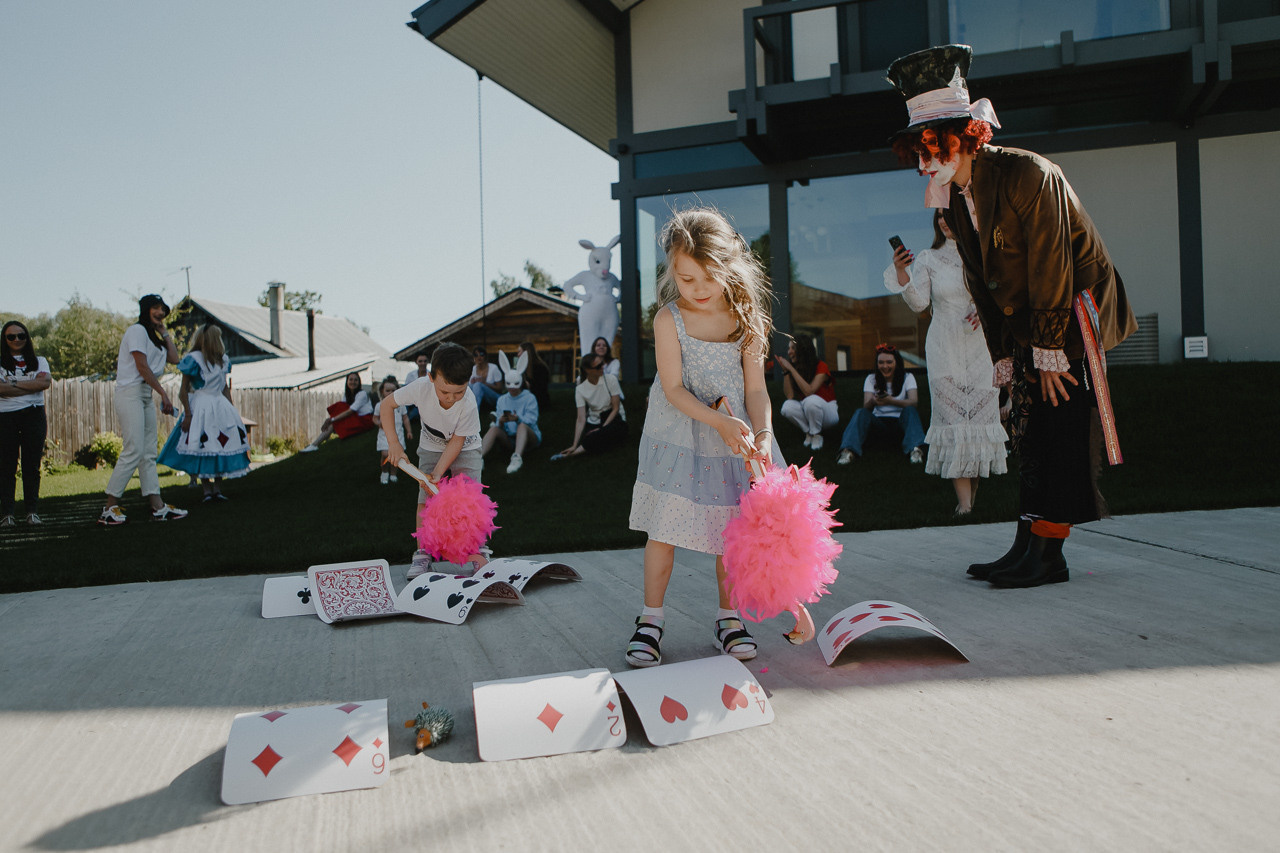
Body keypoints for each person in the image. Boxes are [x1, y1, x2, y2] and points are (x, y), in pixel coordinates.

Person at [887, 44, 1137, 587]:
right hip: (1030, 317)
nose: (927, 164)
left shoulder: (1028, 173)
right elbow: (979, 280)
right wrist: (1004, 355)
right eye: (920, 154)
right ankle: (1029, 543)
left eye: (936, 148)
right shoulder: (954, 195)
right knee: (1028, 426)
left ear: (965, 136)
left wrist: (1048, 351)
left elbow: (1053, 262)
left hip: (1072, 310)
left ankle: (1049, 553)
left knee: (1060, 426)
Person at [625, 207, 776, 668]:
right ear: (673, 271)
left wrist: (763, 434)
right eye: (686, 279)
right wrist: (720, 423)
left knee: (733, 532)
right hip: (681, 432)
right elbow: (673, 389)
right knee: (665, 530)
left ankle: (728, 619)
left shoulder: (748, 316)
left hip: (735, 440)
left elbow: (755, 388)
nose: (697, 290)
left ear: (729, 267)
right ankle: (650, 620)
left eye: (708, 278)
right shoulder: (668, 320)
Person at [884, 210, 1008, 514]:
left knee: (977, 425)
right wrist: (902, 273)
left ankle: (971, 502)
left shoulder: (982, 254)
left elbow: (1003, 293)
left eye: (949, 214)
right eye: (939, 215)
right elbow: (919, 303)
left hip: (980, 349)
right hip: (944, 347)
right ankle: (964, 505)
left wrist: (985, 308)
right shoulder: (928, 258)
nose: (943, 220)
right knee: (953, 424)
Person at [381, 342, 482, 580]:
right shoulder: (419, 387)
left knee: (469, 500)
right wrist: (395, 444)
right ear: (431, 377)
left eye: (458, 392)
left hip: (466, 446)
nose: (451, 398)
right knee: (425, 498)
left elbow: (457, 441)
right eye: (445, 391)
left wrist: (438, 473)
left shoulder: (468, 402)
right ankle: (423, 553)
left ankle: (476, 552)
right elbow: (387, 405)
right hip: (430, 445)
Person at [99, 295, 188, 524]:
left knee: (148, 452)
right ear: (146, 309)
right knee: (134, 449)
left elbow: (175, 358)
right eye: (156, 308)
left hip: (145, 395)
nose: (160, 312)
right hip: (130, 393)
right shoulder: (136, 331)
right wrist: (164, 393)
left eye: (162, 309)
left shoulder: (155, 337)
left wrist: (165, 332)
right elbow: (141, 366)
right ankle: (109, 508)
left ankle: (157, 506)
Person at [156, 323, 251, 500]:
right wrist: (189, 415)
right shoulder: (194, 359)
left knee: (220, 445)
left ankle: (217, 488)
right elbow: (183, 391)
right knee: (203, 444)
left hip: (220, 406)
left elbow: (224, 388)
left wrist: (232, 412)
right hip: (201, 406)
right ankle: (206, 489)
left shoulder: (223, 360)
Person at [837, 344, 927, 464]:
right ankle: (847, 451)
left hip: (900, 423)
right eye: (881, 362)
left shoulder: (908, 377)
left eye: (889, 362)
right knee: (860, 412)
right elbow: (866, 407)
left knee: (910, 410)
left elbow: (914, 402)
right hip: (878, 423)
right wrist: (874, 401)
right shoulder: (871, 379)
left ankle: (916, 450)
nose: (885, 366)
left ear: (897, 363)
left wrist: (891, 401)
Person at [1, 321, 52, 526]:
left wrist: (11, 383)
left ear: (27, 337)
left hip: (34, 415)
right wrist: (29, 386)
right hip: (5, 417)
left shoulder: (39, 361)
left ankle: (32, 512)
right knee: (6, 466)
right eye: (11, 337)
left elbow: (44, 383)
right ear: (4, 339)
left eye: (21, 336)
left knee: (32, 466)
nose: (16, 340)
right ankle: (7, 515)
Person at [550, 352, 626, 460]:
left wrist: (601, 429)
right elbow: (581, 418)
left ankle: (571, 455)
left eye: (602, 363)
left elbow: (616, 408)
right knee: (597, 438)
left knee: (604, 434)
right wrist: (574, 444)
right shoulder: (581, 389)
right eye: (598, 366)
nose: (603, 367)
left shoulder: (610, 380)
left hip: (613, 418)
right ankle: (579, 448)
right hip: (595, 421)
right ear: (588, 370)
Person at [480, 350, 540, 474]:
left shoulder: (529, 398)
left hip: (530, 437)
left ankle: (517, 457)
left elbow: (532, 420)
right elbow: (499, 425)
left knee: (522, 426)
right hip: (509, 438)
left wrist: (518, 419)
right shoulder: (502, 400)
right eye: (509, 384)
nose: (512, 387)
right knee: (494, 429)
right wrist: (500, 421)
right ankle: (477, 458)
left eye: (515, 384)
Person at [776, 336, 837, 449]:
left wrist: (791, 369)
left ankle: (816, 435)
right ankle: (809, 432)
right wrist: (785, 372)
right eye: (789, 348)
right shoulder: (795, 368)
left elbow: (809, 391)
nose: (789, 352)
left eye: (793, 348)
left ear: (803, 349)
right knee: (787, 407)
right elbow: (789, 396)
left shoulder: (821, 366)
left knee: (810, 400)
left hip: (828, 411)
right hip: (809, 409)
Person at [300, 372, 374, 451]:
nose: (353, 382)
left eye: (356, 380)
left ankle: (316, 444)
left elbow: (350, 411)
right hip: (356, 418)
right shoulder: (347, 395)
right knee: (339, 411)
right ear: (347, 382)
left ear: (359, 382)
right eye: (351, 379)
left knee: (339, 409)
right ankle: (315, 444)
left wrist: (331, 420)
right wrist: (332, 420)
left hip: (365, 421)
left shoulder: (362, 394)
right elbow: (342, 410)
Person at [374, 376, 412, 484]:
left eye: (393, 390)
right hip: (384, 435)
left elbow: (405, 418)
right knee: (385, 454)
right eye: (387, 390)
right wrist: (379, 423)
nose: (390, 393)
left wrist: (409, 431)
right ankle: (384, 471)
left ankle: (393, 474)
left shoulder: (400, 405)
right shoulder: (379, 405)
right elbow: (375, 418)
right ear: (382, 391)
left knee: (396, 457)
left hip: (398, 434)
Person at [467, 345, 504, 410]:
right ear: (474, 358)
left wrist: (484, 383)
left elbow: (500, 389)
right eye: (476, 355)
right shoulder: (473, 369)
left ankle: (475, 412)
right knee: (469, 386)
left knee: (478, 385)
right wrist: (471, 383)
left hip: (494, 398)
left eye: (481, 354)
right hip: (481, 398)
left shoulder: (493, 368)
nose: (479, 357)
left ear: (485, 356)